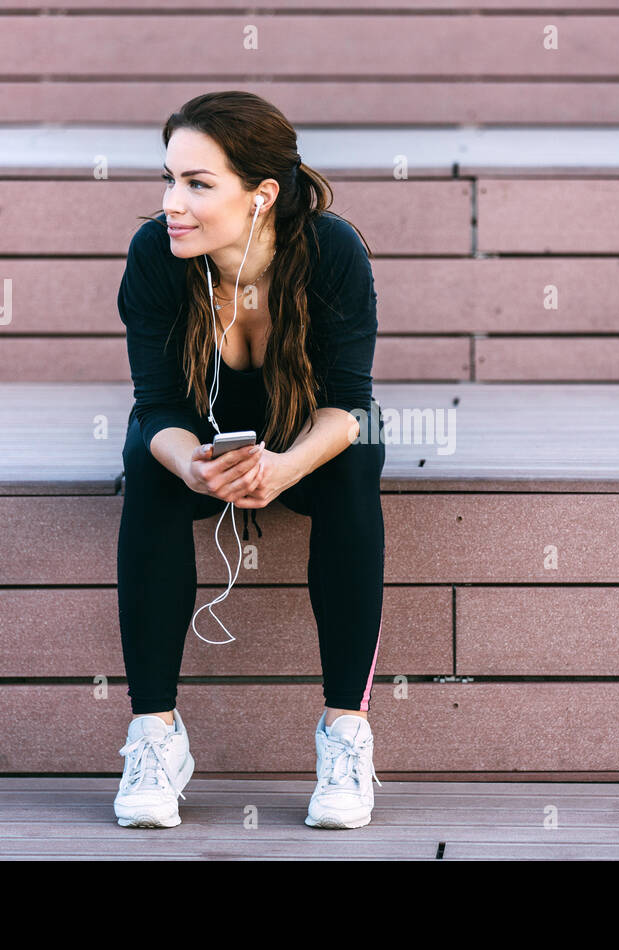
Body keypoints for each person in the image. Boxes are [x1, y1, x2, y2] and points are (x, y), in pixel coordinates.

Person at [113, 91, 386, 831]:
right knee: (148, 465)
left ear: (261, 194)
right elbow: (157, 408)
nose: (173, 201)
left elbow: (351, 406)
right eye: (169, 179)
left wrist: (285, 468)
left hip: (308, 436)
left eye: (198, 185)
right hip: (203, 439)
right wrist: (194, 469)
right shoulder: (157, 257)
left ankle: (344, 735)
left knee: (358, 462)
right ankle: (155, 737)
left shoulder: (332, 252)